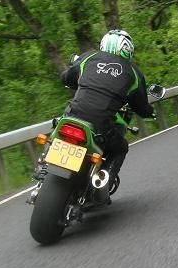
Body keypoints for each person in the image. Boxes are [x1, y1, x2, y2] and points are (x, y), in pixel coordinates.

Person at [54, 29, 155, 199]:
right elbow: (142, 107)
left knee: (56, 130)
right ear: (128, 50)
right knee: (120, 148)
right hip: (100, 126)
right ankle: (100, 188)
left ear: (103, 44)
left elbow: (66, 78)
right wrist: (150, 112)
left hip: (72, 116)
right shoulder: (134, 74)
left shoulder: (88, 57)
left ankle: (43, 170)